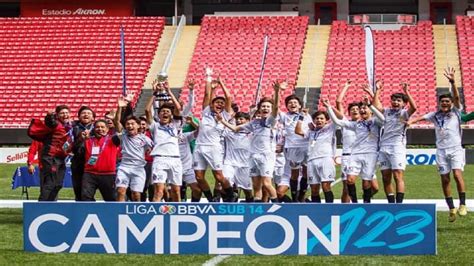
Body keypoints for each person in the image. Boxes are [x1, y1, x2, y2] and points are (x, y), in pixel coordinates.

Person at [408, 68, 467, 222]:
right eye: (443, 102)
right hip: (441, 150)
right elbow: (420, 117)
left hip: (455, 149)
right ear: (439, 103)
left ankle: (462, 204)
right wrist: (410, 122)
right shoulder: (435, 115)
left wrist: (453, 82)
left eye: (447, 101)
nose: (445, 103)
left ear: (451, 103)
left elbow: (456, 96)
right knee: (445, 179)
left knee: (457, 174)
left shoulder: (456, 112)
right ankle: (451, 208)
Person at [217, 80, 285, 202]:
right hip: (253, 156)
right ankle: (257, 206)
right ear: (259, 109)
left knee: (267, 184)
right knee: (256, 186)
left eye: (267, 107)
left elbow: (276, 107)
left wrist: (276, 91)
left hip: (267, 156)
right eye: (263, 106)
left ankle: (277, 206)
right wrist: (222, 121)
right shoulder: (254, 123)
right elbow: (235, 128)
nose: (265, 108)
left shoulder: (271, 121)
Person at [326, 94, 385, 203]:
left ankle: (366, 203)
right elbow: (338, 122)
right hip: (355, 154)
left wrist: (370, 105)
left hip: (371, 155)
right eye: (361, 108)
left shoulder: (376, 122)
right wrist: (328, 107)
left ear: (370, 111)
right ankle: (354, 203)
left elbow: (383, 118)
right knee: (350, 180)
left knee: (366, 183)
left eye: (364, 108)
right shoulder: (357, 124)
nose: (362, 110)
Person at [370, 82, 417, 203]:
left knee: (397, 176)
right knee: (386, 177)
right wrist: (378, 90)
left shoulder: (404, 113)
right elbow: (376, 105)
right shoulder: (387, 111)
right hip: (384, 147)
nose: (396, 102)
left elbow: (414, 108)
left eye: (399, 100)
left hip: (397, 147)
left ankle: (399, 203)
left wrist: (407, 92)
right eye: (394, 100)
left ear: (404, 103)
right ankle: (391, 203)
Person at [334, 80, 379, 202]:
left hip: (366, 155)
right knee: (346, 188)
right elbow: (338, 102)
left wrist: (371, 93)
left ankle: (364, 199)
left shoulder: (367, 123)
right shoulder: (346, 122)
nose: (354, 111)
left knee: (375, 187)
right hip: (348, 156)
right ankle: (347, 208)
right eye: (352, 110)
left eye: (357, 109)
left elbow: (376, 109)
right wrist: (346, 86)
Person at [193, 76, 235, 202]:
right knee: (199, 177)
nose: (219, 104)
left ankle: (231, 195)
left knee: (219, 176)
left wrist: (221, 82)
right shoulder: (206, 113)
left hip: (213, 147)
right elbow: (206, 94)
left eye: (222, 103)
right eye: (217, 102)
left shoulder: (224, 115)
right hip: (199, 146)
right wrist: (210, 84)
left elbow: (228, 98)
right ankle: (211, 199)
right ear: (212, 104)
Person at [145, 79, 183, 202]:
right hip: (160, 159)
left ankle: (177, 214)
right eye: (162, 111)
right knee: (159, 191)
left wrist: (169, 91)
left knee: (176, 191)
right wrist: (155, 93)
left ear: (171, 115)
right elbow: (147, 110)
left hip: (175, 159)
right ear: (159, 114)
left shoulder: (176, 124)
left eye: (167, 111)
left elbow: (178, 108)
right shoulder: (155, 126)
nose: (165, 113)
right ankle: (156, 216)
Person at [114, 97, 154, 202]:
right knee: (121, 191)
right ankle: (119, 213)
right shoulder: (124, 136)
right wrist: (119, 108)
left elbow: (152, 149)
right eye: (127, 124)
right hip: (124, 167)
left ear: (137, 125)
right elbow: (116, 122)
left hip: (139, 168)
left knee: (136, 195)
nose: (130, 126)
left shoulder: (145, 139)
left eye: (132, 124)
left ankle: (136, 214)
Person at [30, 105, 72, 201]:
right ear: (57, 115)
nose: (65, 115)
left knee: (58, 184)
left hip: (61, 158)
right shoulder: (55, 123)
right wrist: (49, 116)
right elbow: (50, 122)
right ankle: (42, 205)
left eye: (66, 113)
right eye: (62, 113)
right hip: (50, 157)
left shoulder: (69, 126)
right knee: (50, 182)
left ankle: (51, 204)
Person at [295, 110, 336, 203]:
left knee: (326, 185)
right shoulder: (311, 132)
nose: (319, 120)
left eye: (322, 118)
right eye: (317, 118)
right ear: (314, 120)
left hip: (325, 159)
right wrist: (301, 117)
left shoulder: (330, 128)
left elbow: (338, 118)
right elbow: (297, 131)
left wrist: (328, 108)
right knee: (314, 189)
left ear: (326, 120)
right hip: (312, 161)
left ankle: (329, 209)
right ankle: (317, 211)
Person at [278, 94, 311, 202]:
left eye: (295, 102)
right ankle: (294, 199)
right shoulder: (284, 116)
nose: (292, 104)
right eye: (290, 103)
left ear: (300, 105)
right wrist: (278, 91)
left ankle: (301, 196)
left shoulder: (307, 116)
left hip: (306, 146)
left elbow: (312, 128)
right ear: (287, 106)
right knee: (294, 174)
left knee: (306, 173)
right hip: (292, 148)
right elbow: (275, 108)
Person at [81, 119, 121, 201]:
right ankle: (90, 212)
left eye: (102, 127)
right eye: (97, 127)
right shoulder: (88, 140)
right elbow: (77, 151)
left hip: (108, 174)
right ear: (94, 129)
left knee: (111, 199)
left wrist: (116, 117)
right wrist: (82, 140)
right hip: (90, 174)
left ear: (107, 129)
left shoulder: (113, 139)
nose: (100, 129)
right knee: (86, 198)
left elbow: (120, 131)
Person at [221, 112, 254, 202]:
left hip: (245, 164)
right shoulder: (229, 132)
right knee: (224, 181)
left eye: (241, 119)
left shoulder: (252, 133)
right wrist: (227, 119)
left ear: (248, 121)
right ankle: (230, 199)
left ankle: (250, 203)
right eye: (237, 119)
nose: (239, 121)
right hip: (229, 162)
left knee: (247, 189)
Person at [69, 106, 95, 201]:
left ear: (93, 118)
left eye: (88, 113)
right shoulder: (72, 128)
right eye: (83, 113)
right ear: (79, 116)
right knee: (78, 187)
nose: (86, 115)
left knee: (89, 188)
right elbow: (69, 145)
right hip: (77, 162)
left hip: (92, 162)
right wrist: (80, 138)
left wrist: (89, 138)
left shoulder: (98, 128)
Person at [178, 116, 202, 202]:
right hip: (174, 167)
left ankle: (193, 207)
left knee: (197, 190)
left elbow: (201, 131)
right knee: (173, 191)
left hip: (187, 167)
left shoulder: (185, 136)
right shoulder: (166, 137)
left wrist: (192, 122)